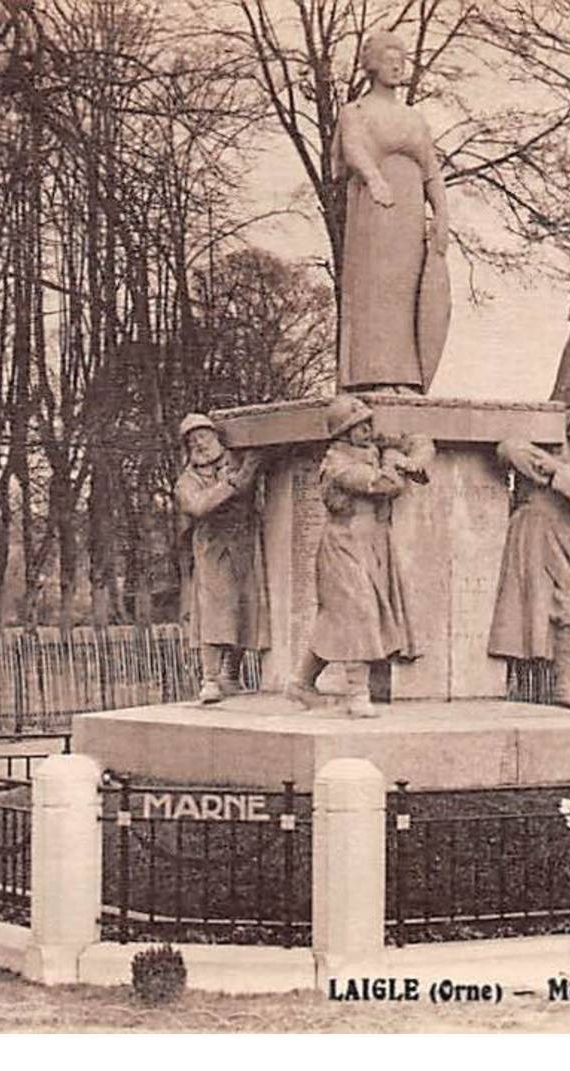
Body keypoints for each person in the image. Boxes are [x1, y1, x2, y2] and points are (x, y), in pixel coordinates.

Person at [285, 395, 430, 717]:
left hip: (373, 543)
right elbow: (383, 485)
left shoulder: (373, 450)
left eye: (367, 423)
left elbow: (420, 441)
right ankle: (356, 694)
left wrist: (412, 456)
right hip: (343, 542)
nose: (366, 430)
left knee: (341, 620)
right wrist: (398, 463)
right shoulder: (337, 464)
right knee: (357, 615)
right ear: (342, 432)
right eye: (357, 426)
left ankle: (300, 683)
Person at [333, 30, 451, 393]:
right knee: (375, 289)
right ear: (371, 64)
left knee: (408, 291)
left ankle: (407, 378)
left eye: (402, 58)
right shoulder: (356, 111)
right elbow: (352, 149)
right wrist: (374, 179)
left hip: (410, 215)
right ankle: (372, 375)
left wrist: (442, 215)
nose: (398, 64)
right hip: (375, 210)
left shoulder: (414, 118)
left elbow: (431, 170)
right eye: (389, 57)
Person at [487, 403, 570, 711]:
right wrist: (548, 466)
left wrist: (558, 475)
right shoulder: (546, 452)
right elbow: (508, 449)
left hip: (566, 539)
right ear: (569, 428)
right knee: (523, 609)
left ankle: (564, 687)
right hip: (531, 533)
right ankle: (503, 683)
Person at [175, 413, 269, 704]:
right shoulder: (186, 481)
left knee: (245, 608)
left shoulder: (235, 463)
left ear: (215, 436)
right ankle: (210, 679)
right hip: (212, 550)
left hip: (243, 544)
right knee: (216, 612)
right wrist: (232, 484)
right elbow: (199, 506)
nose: (199, 443)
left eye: (203, 436)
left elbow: (252, 482)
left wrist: (249, 467)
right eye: (192, 440)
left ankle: (232, 674)